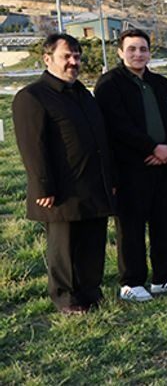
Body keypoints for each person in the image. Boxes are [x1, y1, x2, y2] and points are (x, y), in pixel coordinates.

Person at [14, 34, 114, 314]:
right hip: (61, 189)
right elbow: (32, 147)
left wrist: (110, 179)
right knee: (65, 247)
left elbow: (101, 139)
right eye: (66, 56)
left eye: (77, 56)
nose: (73, 62)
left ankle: (91, 292)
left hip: (93, 183)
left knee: (93, 243)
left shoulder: (83, 93)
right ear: (47, 59)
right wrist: (43, 186)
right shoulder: (32, 97)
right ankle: (67, 298)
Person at [95, 29, 167, 302]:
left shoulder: (163, 84)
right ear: (120, 52)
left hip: (165, 166)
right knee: (131, 227)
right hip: (130, 169)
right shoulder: (109, 85)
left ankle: (163, 277)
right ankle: (131, 282)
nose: (138, 54)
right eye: (132, 49)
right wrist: (151, 148)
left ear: (150, 52)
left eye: (143, 49)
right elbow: (118, 125)